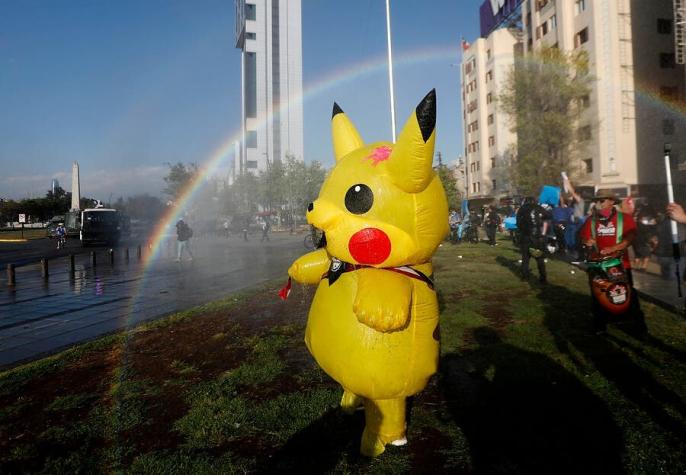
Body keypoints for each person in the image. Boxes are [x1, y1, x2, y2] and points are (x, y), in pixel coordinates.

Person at [580, 190, 646, 335]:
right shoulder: (591, 220)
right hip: (597, 265)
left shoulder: (625, 218)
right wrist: (587, 241)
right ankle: (600, 325)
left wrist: (614, 248)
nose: (598, 203)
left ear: (611, 201)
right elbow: (584, 237)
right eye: (596, 201)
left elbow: (630, 238)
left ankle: (637, 326)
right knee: (597, 295)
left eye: (601, 200)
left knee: (628, 295)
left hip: (621, 265)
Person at [516, 197, 550, 284]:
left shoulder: (521, 209)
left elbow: (518, 223)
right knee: (539, 258)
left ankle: (524, 276)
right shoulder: (539, 208)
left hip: (525, 236)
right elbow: (547, 219)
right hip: (537, 236)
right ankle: (543, 278)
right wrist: (543, 233)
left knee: (525, 258)